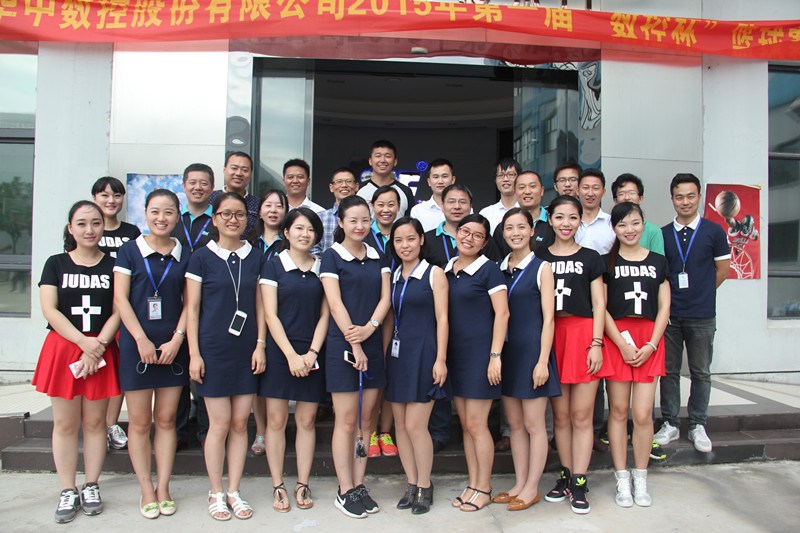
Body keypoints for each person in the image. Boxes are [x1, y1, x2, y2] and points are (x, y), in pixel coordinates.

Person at [32, 200, 120, 523]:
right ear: (71, 228)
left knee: (96, 424)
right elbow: (50, 310)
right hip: (66, 348)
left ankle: (91, 484)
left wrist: (97, 346)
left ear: (103, 226)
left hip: (101, 349)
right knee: (66, 424)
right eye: (81, 223)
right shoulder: (55, 263)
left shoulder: (114, 265)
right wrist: (84, 343)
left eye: (95, 223)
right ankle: (67, 489)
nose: (89, 229)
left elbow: (119, 309)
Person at [186, 192, 267, 521]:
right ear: (215, 219)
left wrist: (260, 344)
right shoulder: (201, 257)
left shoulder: (256, 256)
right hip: (213, 350)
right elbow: (192, 310)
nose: (233, 220)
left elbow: (261, 305)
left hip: (246, 350)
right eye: (226, 214)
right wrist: (194, 353)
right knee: (218, 424)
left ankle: (234, 490)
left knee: (239, 423)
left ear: (247, 220)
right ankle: (215, 491)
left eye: (239, 214)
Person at [114, 189, 190, 519]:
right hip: (137, 345)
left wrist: (177, 339)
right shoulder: (130, 251)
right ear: (145, 213)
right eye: (155, 211)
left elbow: (191, 303)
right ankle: (146, 488)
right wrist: (141, 339)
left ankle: (164, 486)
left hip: (173, 346)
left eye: (169, 212)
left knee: (167, 419)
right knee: (140, 421)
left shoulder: (184, 253)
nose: (161, 218)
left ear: (177, 216)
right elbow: (120, 299)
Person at [538, 195, 611, 515]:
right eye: (559, 217)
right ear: (550, 220)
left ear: (580, 220)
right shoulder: (539, 256)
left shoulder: (591, 257)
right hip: (552, 336)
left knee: (582, 415)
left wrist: (596, 343)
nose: (565, 223)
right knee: (561, 417)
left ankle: (580, 481)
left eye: (572, 217)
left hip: (583, 335)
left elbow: (599, 304)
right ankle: (566, 476)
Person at [320, 195, 392, 519]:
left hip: (371, 341)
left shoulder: (378, 255)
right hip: (343, 345)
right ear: (341, 223)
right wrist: (356, 342)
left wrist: (370, 328)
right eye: (353, 220)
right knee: (346, 420)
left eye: (365, 220)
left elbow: (385, 298)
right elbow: (335, 304)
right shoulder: (331, 256)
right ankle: (345, 488)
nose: (360, 226)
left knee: (366, 420)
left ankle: (360, 484)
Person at [259, 207, 330, 512]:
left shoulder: (322, 267)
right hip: (280, 352)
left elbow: (326, 314)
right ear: (286, 232)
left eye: (311, 230)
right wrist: (290, 355)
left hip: (312, 351)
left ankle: (302, 483)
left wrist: (311, 353)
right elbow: (270, 315)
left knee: (307, 420)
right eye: (299, 228)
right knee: (275, 421)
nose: (305, 234)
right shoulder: (273, 265)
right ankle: (278, 485)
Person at [655, 173, 730, 453]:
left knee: (701, 372)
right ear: (672, 199)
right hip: (670, 315)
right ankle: (670, 422)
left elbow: (722, 270)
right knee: (669, 371)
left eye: (690, 196)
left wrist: (702, 291)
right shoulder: (663, 234)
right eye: (679, 197)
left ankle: (698, 423)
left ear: (699, 197)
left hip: (702, 314)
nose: (685, 201)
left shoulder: (714, 231)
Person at [602, 202, 670, 508]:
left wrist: (652, 345)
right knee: (618, 411)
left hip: (649, 341)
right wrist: (621, 344)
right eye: (622, 224)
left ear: (644, 224)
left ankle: (641, 477)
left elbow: (665, 307)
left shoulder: (658, 261)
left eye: (634, 223)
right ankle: (622, 477)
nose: (629, 230)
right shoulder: (607, 263)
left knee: (642, 414)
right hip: (617, 340)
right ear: (614, 228)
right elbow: (601, 308)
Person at [493, 208, 561, 511]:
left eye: (522, 227)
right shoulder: (499, 268)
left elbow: (549, 319)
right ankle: (519, 483)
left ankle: (533, 486)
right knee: (515, 425)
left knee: (535, 425)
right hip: (507, 354)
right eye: (509, 228)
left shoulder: (542, 267)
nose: (515, 233)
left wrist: (543, 360)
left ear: (532, 231)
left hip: (533, 353)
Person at [446, 214, 509, 513]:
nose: (468, 238)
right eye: (465, 231)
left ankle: (484, 487)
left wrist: (495, 356)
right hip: (455, 357)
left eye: (477, 235)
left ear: (484, 243)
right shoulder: (447, 269)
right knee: (465, 425)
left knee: (477, 424)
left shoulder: (489, 270)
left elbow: (503, 314)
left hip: (481, 357)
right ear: (456, 233)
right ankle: (472, 484)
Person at [385, 217, 448, 515]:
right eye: (399, 240)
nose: (405, 245)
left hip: (425, 354)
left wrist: (441, 359)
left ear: (422, 240)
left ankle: (425, 484)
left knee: (415, 425)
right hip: (397, 356)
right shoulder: (393, 275)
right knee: (400, 424)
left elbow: (443, 319)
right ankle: (411, 483)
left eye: (410, 239)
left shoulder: (434, 273)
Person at [91, 176, 140, 451]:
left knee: (118, 367)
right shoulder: (87, 229)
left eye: (117, 195)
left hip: (123, 309)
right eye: (105, 195)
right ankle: (94, 424)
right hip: (93, 309)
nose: (111, 201)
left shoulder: (132, 232)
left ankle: (110, 423)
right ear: (94, 198)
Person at [173, 163, 215, 452]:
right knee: (177, 372)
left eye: (204, 183)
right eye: (193, 182)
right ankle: (176, 431)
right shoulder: (173, 220)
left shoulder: (219, 220)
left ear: (212, 187)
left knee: (205, 373)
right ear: (184, 185)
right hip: (175, 304)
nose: (198, 187)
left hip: (207, 307)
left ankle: (205, 432)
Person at [248, 188, 289, 456]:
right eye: (268, 205)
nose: (273, 210)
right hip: (251, 314)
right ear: (260, 211)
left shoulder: (290, 243)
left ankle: (277, 428)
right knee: (256, 375)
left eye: (279, 206)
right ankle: (261, 430)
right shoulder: (249, 243)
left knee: (275, 377)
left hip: (281, 314)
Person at [364, 186, 401, 457]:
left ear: (398, 207)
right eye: (381, 204)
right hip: (370, 311)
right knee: (372, 373)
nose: (386, 209)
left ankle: (385, 431)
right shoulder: (364, 233)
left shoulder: (404, 233)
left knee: (390, 369)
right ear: (373, 206)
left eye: (391, 204)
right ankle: (369, 430)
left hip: (399, 309)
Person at [492, 171, 551, 258]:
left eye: (532, 186)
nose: (527, 191)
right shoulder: (503, 227)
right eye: (522, 187)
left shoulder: (553, 224)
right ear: (515, 192)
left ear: (542, 191)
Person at [356, 140, 416, 218]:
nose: (382, 160)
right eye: (378, 156)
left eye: (388, 156)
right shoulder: (358, 190)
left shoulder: (405, 191)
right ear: (370, 161)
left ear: (395, 161)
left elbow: (410, 222)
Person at [611, 173, 664, 255]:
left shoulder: (653, 231)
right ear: (615, 200)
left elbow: (658, 260)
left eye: (632, 193)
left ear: (640, 198)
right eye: (621, 194)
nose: (627, 198)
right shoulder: (607, 227)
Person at [209, 152, 260, 236]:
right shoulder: (209, 199)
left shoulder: (258, 204)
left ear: (251, 174)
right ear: (224, 170)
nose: (238, 173)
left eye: (245, 170)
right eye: (234, 168)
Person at [319, 167, 359, 255]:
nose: (344, 185)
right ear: (331, 187)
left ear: (356, 186)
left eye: (349, 181)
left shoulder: (365, 218)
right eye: (339, 181)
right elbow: (314, 248)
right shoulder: (320, 217)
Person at [410, 159, 457, 232]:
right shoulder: (418, 211)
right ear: (429, 181)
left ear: (453, 180)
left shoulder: (463, 209)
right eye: (436, 177)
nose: (440, 181)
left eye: (444, 176)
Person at [479, 157, 520, 233]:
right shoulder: (486, 213)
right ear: (495, 180)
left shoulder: (526, 210)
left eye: (511, 174)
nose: (505, 179)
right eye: (500, 175)